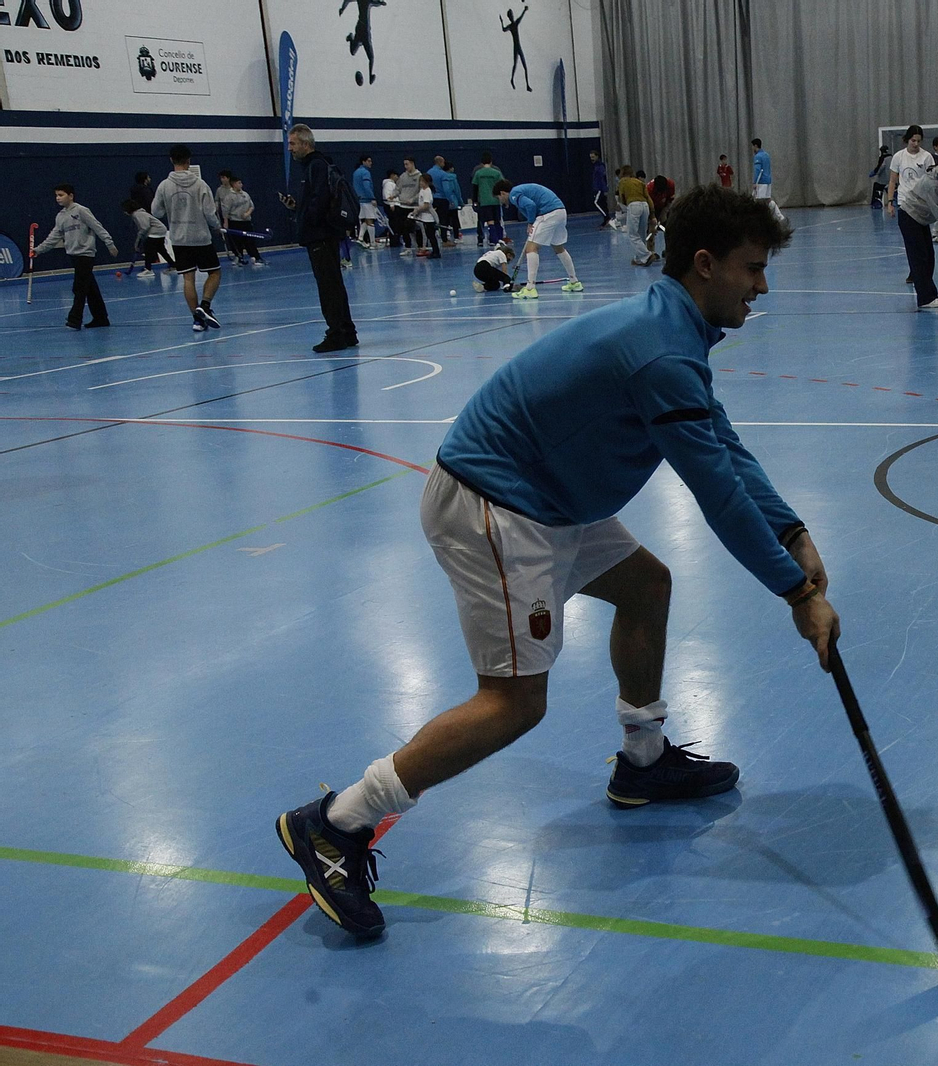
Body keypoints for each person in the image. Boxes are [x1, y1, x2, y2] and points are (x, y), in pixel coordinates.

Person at [275, 184, 838, 942]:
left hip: (548, 497)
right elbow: (716, 496)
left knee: (646, 585)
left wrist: (794, 531)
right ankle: (337, 821)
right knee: (514, 701)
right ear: (705, 265)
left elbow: (726, 448)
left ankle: (643, 761)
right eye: (752, 268)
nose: (761, 285)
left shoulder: (675, 329)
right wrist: (796, 592)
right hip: (498, 505)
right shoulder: (661, 351)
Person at [280, 125, 359, 353]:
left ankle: (336, 334)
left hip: (321, 236)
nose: (290, 149)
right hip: (323, 234)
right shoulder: (316, 166)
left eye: (293, 144)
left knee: (328, 287)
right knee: (334, 284)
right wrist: (298, 208)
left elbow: (320, 201)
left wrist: (309, 221)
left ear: (306, 144)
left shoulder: (316, 166)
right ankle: (347, 331)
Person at [151, 143, 225, 333]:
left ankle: (197, 320)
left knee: (188, 279)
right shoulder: (200, 184)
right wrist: (216, 226)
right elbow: (210, 212)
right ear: (189, 161)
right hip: (200, 237)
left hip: (178, 239)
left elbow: (156, 211)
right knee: (215, 273)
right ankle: (205, 306)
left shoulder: (164, 186)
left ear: (171, 160)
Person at [34, 183, 117, 330]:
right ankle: (101, 318)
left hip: (85, 254)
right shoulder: (60, 216)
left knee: (79, 288)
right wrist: (38, 250)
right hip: (73, 254)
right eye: (56, 195)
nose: (58, 198)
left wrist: (109, 243)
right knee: (90, 287)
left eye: (61, 195)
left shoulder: (81, 210)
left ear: (70, 196)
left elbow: (98, 227)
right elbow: (53, 237)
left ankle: (74, 320)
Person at [495, 179, 582, 297]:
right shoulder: (521, 190)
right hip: (560, 211)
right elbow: (529, 207)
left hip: (548, 213)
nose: (500, 201)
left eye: (498, 198)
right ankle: (574, 282)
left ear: (502, 193)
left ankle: (530, 289)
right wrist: (531, 221)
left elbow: (531, 206)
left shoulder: (514, 194)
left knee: (531, 248)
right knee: (558, 248)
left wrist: (531, 223)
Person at [894, 155, 938, 311]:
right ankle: (925, 298)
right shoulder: (932, 184)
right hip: (910, 218)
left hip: (920, 220)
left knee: (929, 256)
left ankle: (928, 293)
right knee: (919, 258)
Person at [122, 198, 173, 277]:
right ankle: (173, 265)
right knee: (161, 249)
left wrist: (138, 241)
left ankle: (148, 269)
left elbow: (145, 227)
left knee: (148, 250)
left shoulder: (137, 214)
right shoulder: (140, 213)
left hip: (155, 232)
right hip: (161, 231)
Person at [617, 165, 655, 266]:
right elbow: (648, 198)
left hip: (634, 205)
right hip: (645, 206)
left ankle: (647, 255)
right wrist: (652, 215)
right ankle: (639, 259)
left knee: (632, 234)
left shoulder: (622, 182)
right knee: (641, 233)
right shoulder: (639, 182)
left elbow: (622, 198)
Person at [341, 0, 384, 85]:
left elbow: (347, 0)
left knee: (354, 52)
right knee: (370, 57)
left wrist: (342, 8)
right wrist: (380, 3)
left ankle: (351, 38)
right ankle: (370, 75)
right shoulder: (368, 1)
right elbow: (376, 3)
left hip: (360, 28)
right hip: (365, 31)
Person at [226, 177, 265, 266]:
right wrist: (226, 223)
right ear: (234, 184)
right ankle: (239, 258)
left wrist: (247, 213)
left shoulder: (245, 194)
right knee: (237, 242)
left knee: (250, 240)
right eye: (239, 183)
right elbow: (226, 211)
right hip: (235, 222)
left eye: (241, 183)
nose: (241, 184)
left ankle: (256, 257)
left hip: (246, 221)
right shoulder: (229, 197)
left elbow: (252, 206)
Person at [471, 152, 505, 245]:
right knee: (497, 220)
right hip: (495, 200)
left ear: (481, 163)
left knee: (489, 221)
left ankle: (491, 239)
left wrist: (475, 201)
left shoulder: (478, 173)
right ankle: (499, 238)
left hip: (484, 201)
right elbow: (502, 185)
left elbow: (475, 188)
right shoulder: (497, 172)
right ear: (491, 161)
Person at [751, 138, 784, 221]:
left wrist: (755, 183)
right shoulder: (766, 155)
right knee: (768, 200)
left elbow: (758, 170)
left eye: (752, 146)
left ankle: (762, 220)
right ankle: (780, 216)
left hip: (761, 182)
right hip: (768, 181)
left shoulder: (758, 156)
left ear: (755, 146)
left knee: (759, 201)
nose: (752, 148)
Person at [395, 157, 423, 256]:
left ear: (412, 163)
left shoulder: (419, 176)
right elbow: (398, 189)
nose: (405, 166)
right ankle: (408, 247)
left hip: (413, 208)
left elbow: (420, 191)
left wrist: (412, 200)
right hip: (403, 207)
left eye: (407, 164)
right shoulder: (403, 176)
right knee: (404, 228)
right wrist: (393, 195)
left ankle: (420, 247)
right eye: (404, 164)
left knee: (415, 227)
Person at [501, 4, 532, 91]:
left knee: (521, 65)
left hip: (517, 47)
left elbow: (504, 29)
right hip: (517, 47)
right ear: (510, 17)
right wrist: (524, 10)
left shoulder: (513, 25)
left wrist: (524, 11)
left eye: (512, 14)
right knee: (519, 65)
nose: (512, 16)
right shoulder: (513, 25)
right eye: (511, 15)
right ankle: (521, 82)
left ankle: (526, 85)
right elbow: (504, 29)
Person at [412, 172, 442, 259]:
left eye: (423, 182)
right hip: (424, 217)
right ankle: (434, 251)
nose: (421, 183)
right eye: (420, 181)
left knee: (431, 235)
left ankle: (436, 252)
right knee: (429, 235)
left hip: (429, 217)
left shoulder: (427, 191)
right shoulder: (422, 190)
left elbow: (426, 205)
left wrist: (417, 209)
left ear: (428, 183)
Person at [353, 154, 379, 249]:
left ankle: (360, 238)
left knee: (364, 220)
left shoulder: (356, 172)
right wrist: (372, 197)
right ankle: (373, 243)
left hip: (359, 200)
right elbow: (367, 186)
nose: (370, 163)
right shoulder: (365, 173)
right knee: (370, 220)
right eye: (369, 161)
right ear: (363, 162)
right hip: (366, 200)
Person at [591, 150, 612, 227]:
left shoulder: (600, 166)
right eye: (591, 157)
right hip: (597, 188)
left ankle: (607, 218)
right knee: (603, 204)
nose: (592, 159)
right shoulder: (596, 166)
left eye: (593, 157)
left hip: (599, 189)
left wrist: (604, 189)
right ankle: (605, 219)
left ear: (597, 156)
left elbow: (602, 178)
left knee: (596, 203)